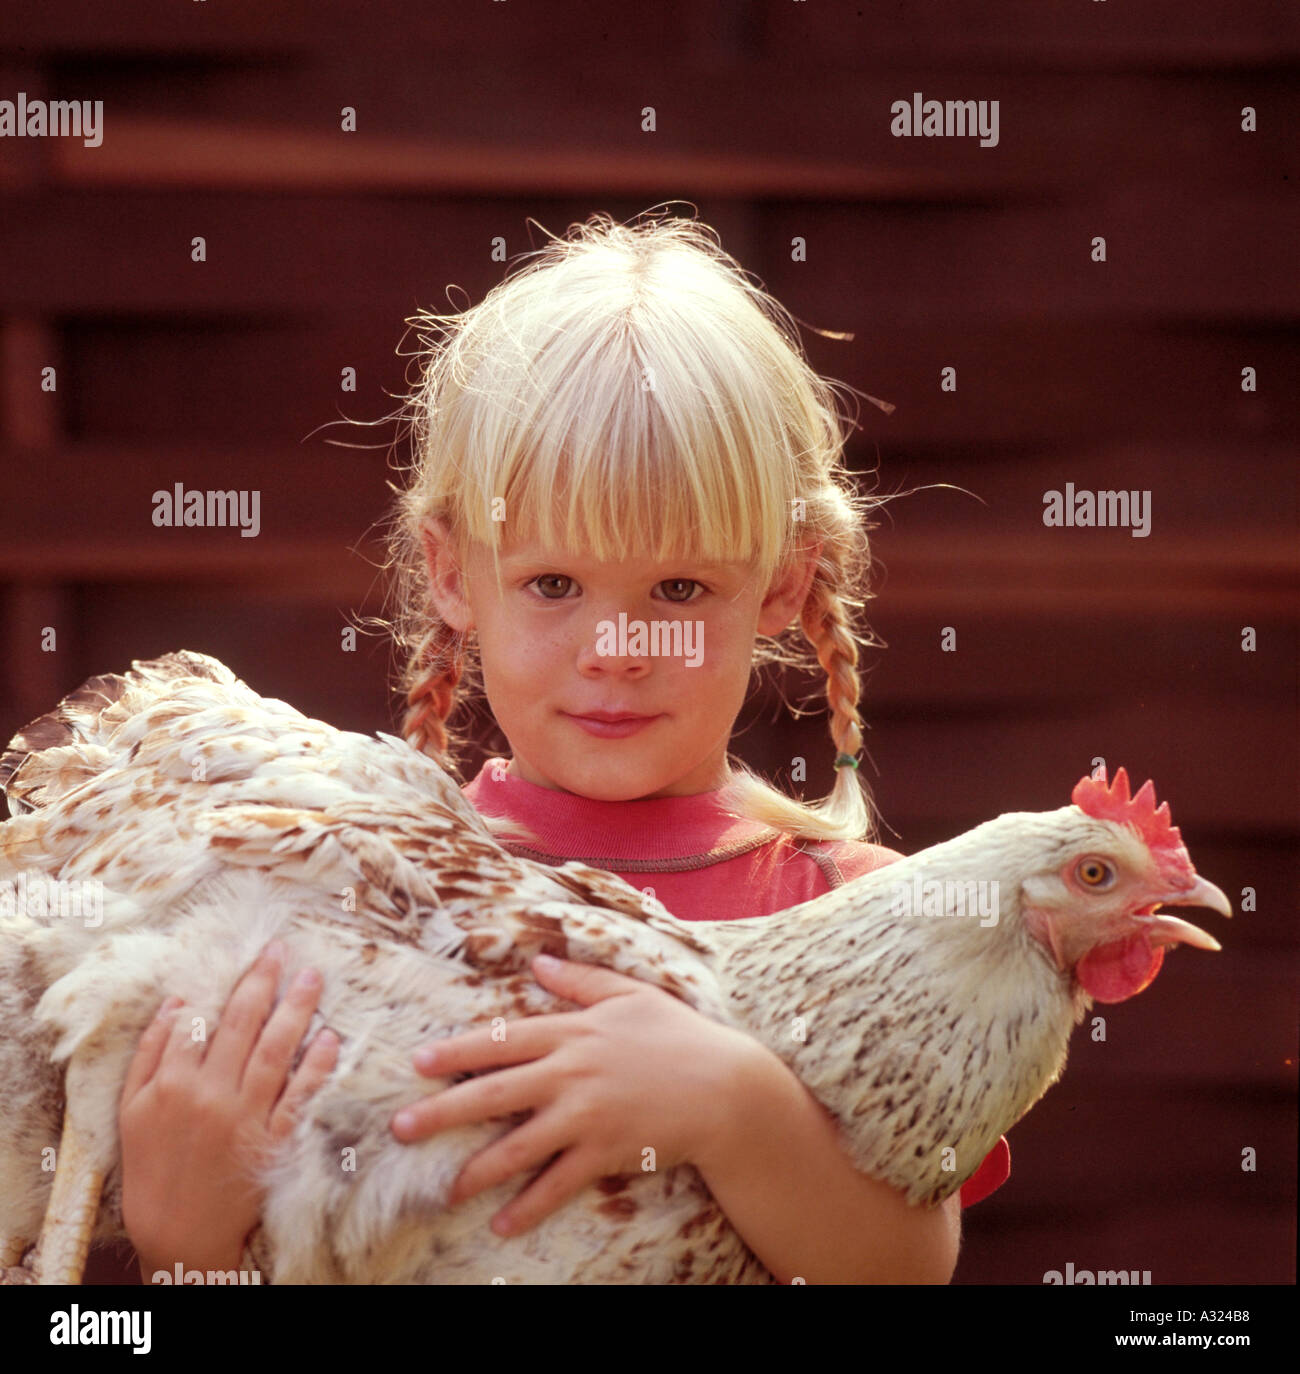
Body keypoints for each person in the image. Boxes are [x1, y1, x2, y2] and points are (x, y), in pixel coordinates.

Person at [119, 209, 1006, 1286]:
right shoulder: (360, 891)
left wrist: (731, 1109)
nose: (616, 649)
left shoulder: (856, 917)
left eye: (678, 589)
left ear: (780, 582)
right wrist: (190, 1247)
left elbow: (908, 1270)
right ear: (452, 574)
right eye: (554, 585)